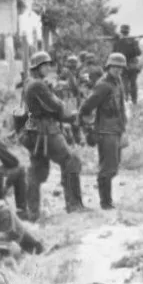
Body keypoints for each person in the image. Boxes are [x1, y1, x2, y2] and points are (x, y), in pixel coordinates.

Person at [21, 51, 85, 217]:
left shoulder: (31, 83)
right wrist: (71, 114)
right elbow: (56, 106)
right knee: (71, 160)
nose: (49, 68)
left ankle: (31, 211)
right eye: (46, 65)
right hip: (45, 131)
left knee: (37, 170)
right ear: (38, 67)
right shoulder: (37, 85)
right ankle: (74, 204)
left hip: (34, 131)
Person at [79, 53, 128, 210]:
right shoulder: (103, 85)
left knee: (114, 166)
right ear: (108, 67)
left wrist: (123, 127)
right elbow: (86, 107)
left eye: (120, 67)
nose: (118, 70)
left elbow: (121, 106)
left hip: (116, 129)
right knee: (107, 168)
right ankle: (105, 202)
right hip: (105, 131)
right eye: (115, 67)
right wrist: (88, 128)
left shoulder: (117, 82)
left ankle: (106, 200)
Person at [112, 25, 143, 104]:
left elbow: (113, 53)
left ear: (121, 31)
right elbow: (139, 53)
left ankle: (125, 99)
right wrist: (136, 43)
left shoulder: (117, 41)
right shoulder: (133, 40)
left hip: (122, 66)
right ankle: (134, 100)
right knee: (133, 83)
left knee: (124, 82)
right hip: (133, 66)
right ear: (128, 31)